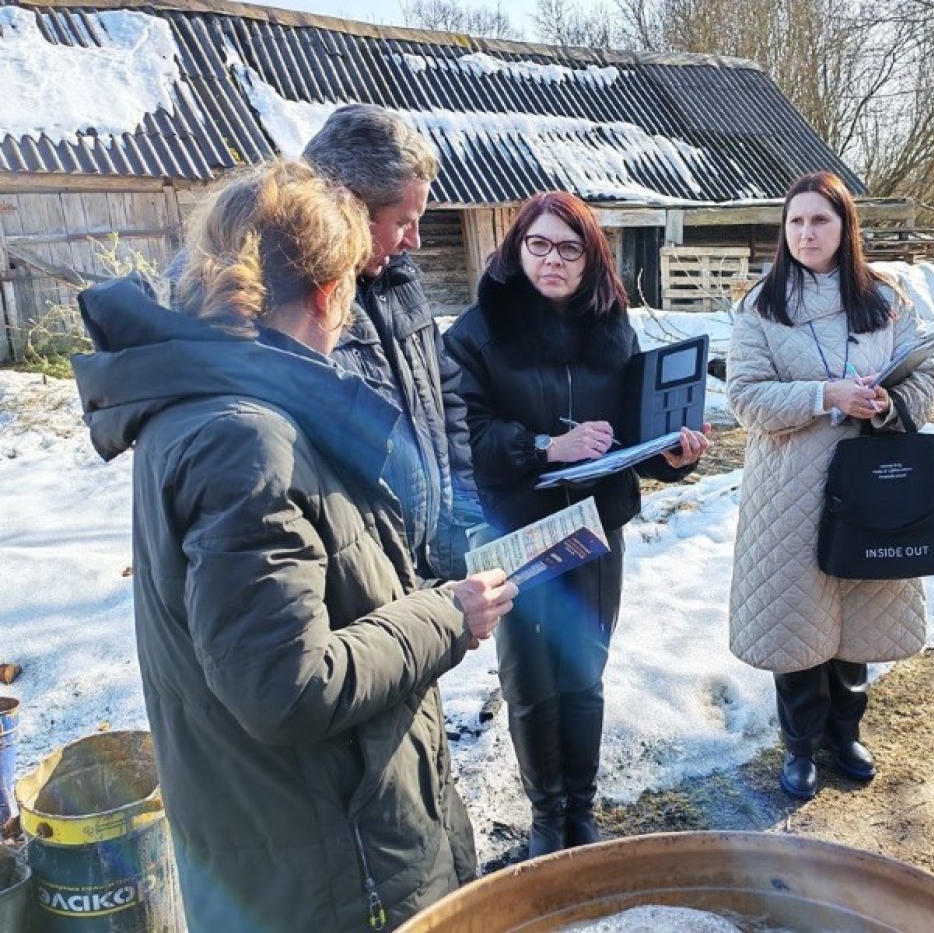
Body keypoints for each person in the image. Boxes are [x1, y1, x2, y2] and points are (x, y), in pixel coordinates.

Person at [71, 161, 517, 932]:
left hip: (311, 847)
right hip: (332, 877)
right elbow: (288, 686)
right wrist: (447, 616)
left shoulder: (213, 404)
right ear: (327, 292)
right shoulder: (245, 439)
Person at [441, 191, 710, 858]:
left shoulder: (612, 330)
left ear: (591, 258)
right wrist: (543, 446)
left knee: (583, 672)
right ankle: (547, 815)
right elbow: (461, 435)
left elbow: (636, 433)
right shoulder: (477, 333)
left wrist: (672, 455)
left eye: (570, 248)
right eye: (540, 245)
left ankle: (581, 810)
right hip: (516, 532)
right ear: (518, 249)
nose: (553, 260)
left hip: (595, 530)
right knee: (530, 680)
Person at [726, 172, 934, 801]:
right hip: (789, 490)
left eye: (820, 219)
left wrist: (888, 405)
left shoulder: (885, 299)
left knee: (857, 610)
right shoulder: (761, 306)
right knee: (797, 620)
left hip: (870, 483)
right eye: (795, 221)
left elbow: (927, 376)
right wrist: (826, 395)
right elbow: (745, 398)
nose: (806, 233)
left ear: (846, 226)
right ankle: (799, 745)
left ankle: (845, 734)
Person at [300, 103, 487, 582]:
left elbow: (445, 398)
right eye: (404, 222)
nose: (415, 242)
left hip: (426, 565)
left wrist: (462, 520)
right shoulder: (294, 308)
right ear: (347, 209)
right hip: (357, 580)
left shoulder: (400, 280)